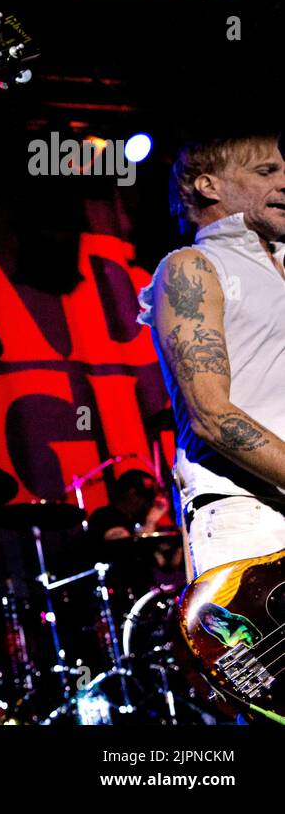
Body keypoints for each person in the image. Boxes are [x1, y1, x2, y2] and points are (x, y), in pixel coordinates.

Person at [137, 130, 285, 581]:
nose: (284, 182)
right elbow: (212, 413)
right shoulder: (192, 268)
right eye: (266, 172)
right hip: (251, 518)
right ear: (208, 185)